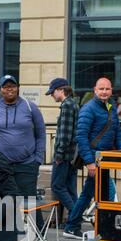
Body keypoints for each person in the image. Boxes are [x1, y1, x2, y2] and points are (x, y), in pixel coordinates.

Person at [0, 74, 46, 233]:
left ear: (18, 88)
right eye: (6, 86)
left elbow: (41, 135)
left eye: (12, 86)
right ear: (1, 90)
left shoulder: (31, 108)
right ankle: (2, 235)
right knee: (0, 201)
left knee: (29, 201)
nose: (10, 89)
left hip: (27, 164)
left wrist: (38, 159)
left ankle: (40, 236)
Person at [63, 77, 121, 239]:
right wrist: (90, 162)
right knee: (109, 194)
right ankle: (108, 229)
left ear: (111, 90)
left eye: (107, 89)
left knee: (87, 194)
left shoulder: (111, 107)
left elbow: (117, 130)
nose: (104, 92)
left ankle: (71, 226)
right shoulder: (88, 108)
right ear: (95, 90)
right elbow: (81, 137)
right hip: (95, 160)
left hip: (105, 158)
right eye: (101, 89)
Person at [46, 78, 79, 226]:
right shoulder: (73, 104)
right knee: (70, 189)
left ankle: (75, 215)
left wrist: (58, 155)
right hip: (72, 155)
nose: (52, 95)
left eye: (52, 92)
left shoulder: (66, 106)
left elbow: (65, 135)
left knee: (57, 186)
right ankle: (76, 219)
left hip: (64, 156)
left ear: (60, 90)